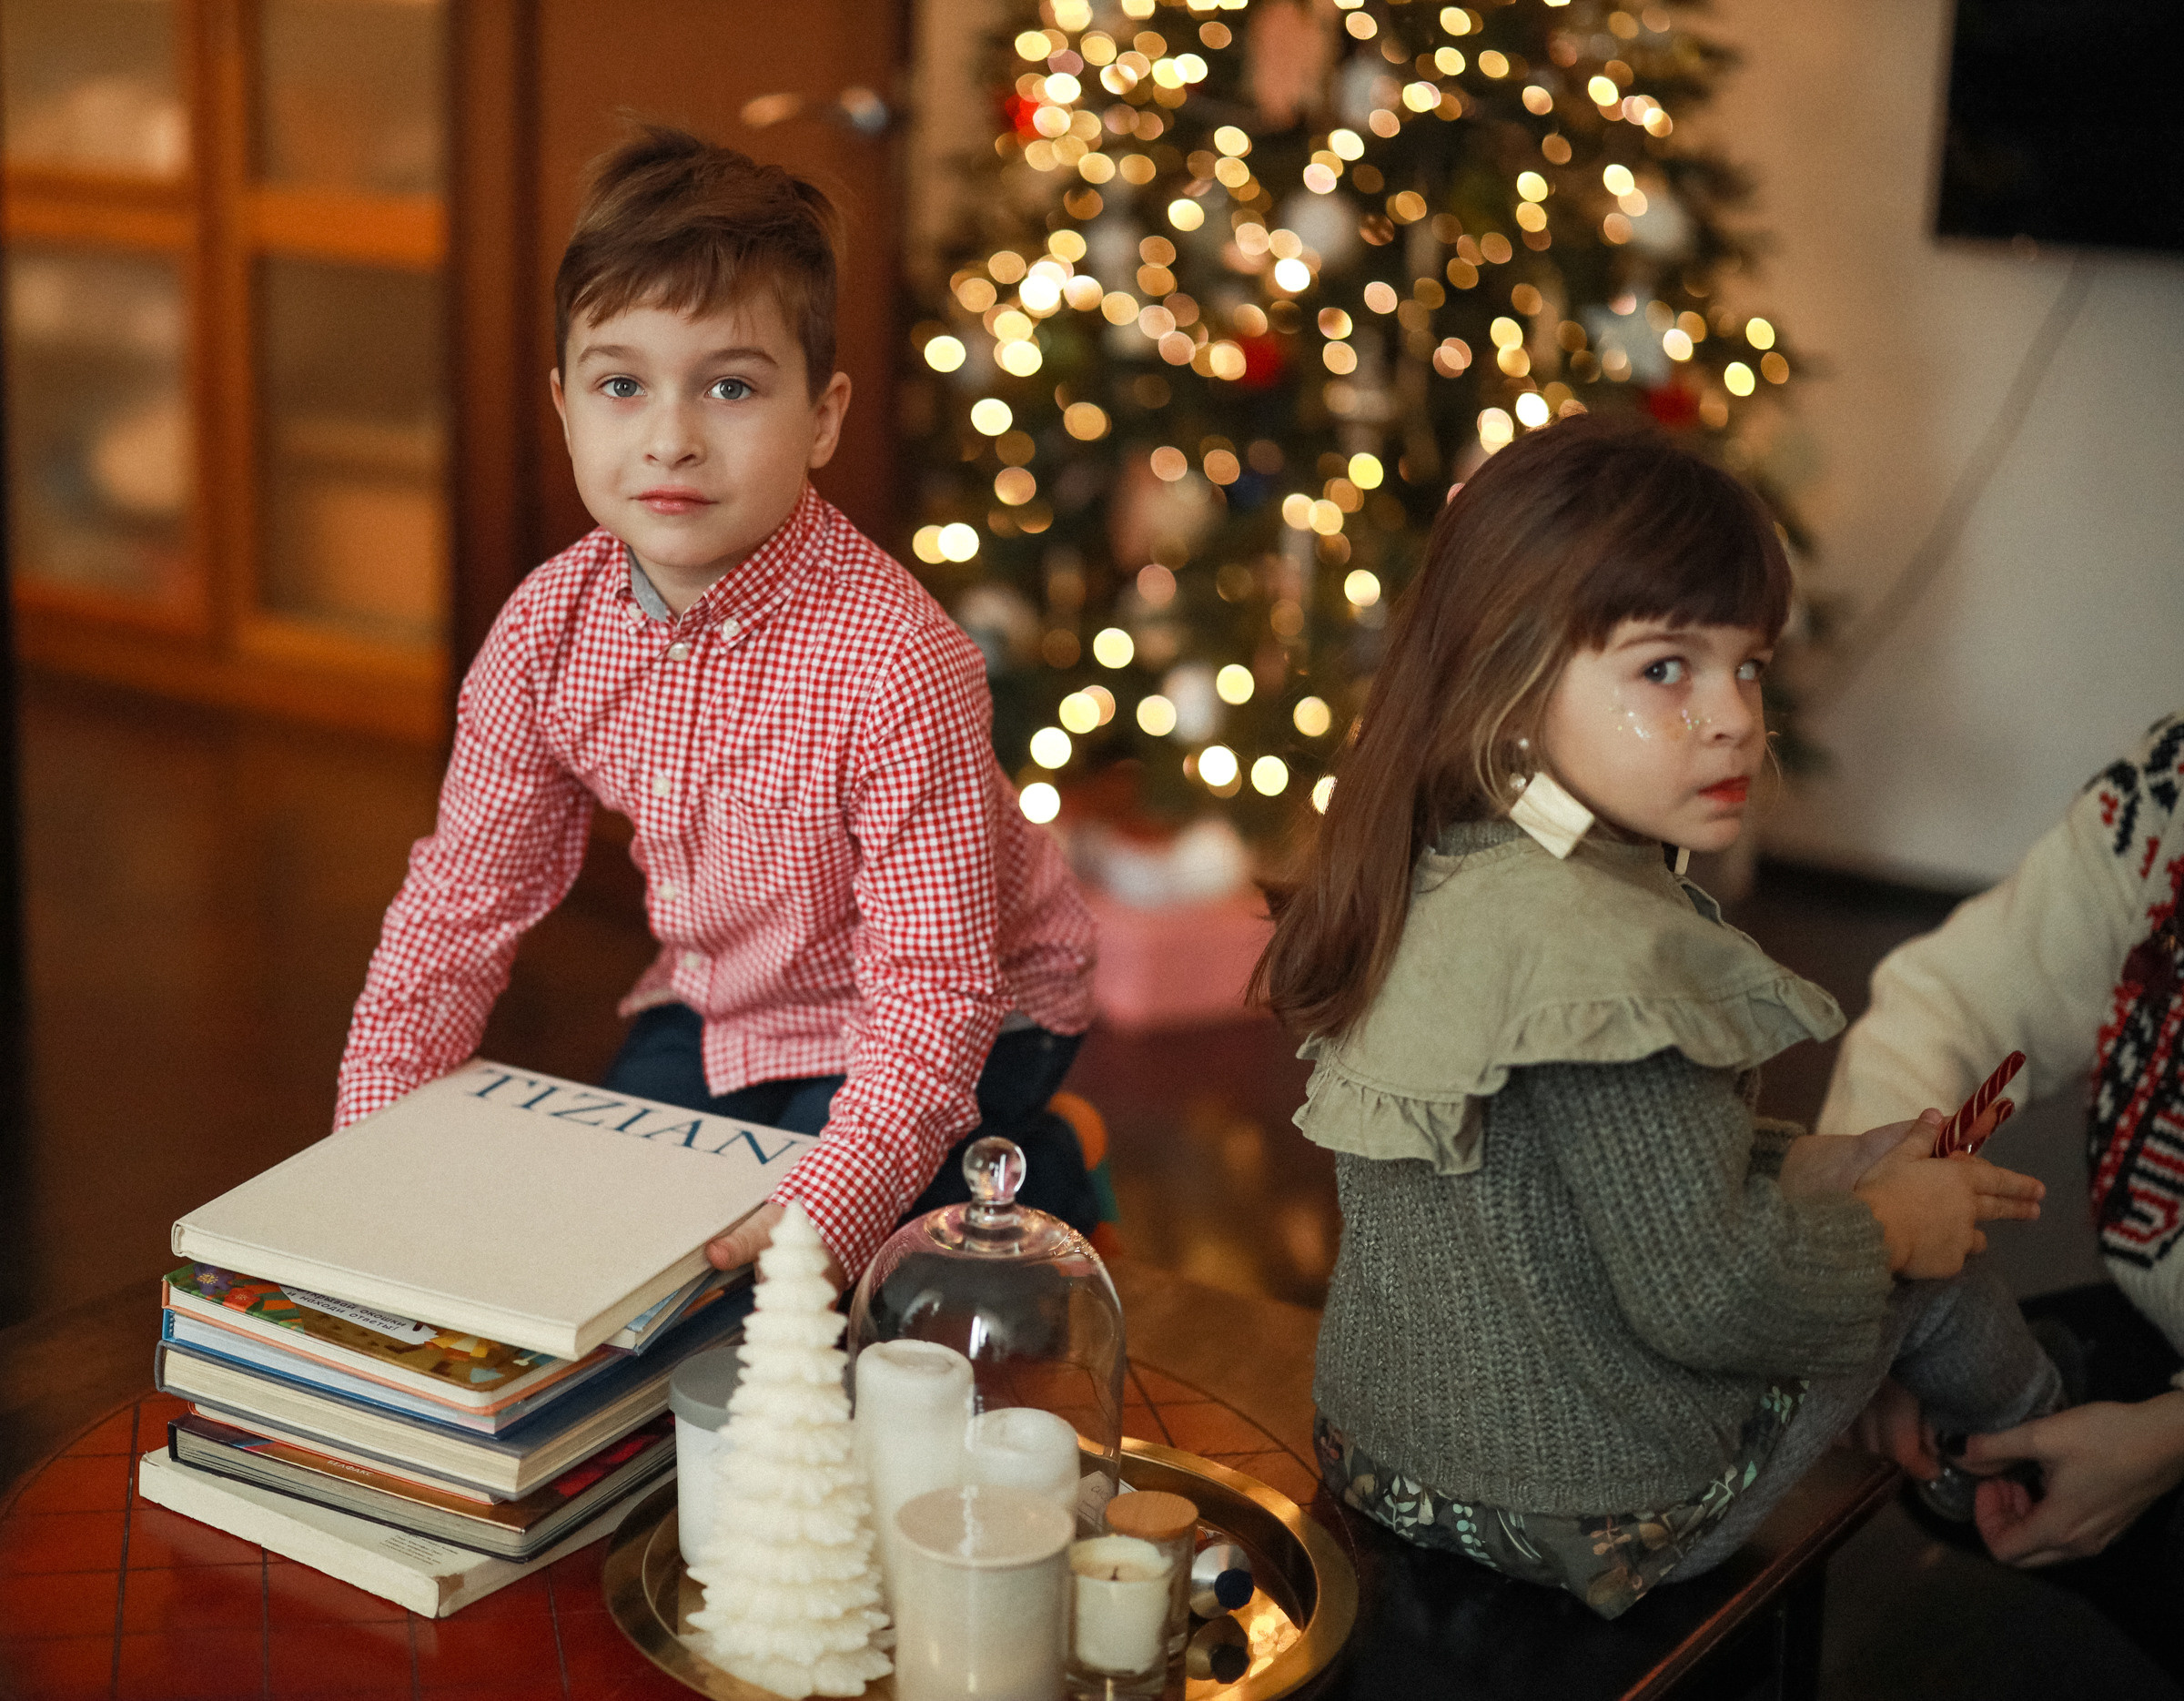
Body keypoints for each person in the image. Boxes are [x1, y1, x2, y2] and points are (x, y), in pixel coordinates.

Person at [1252, 415, 2060, 1617]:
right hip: (1594, 1515)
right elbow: (1714, 1297)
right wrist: (1894, 1226)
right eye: (1666, 669)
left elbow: (1580, 1179)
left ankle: (1962, 1436)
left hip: (1382, 1458)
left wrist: (1828, 1167)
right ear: (1513, 684)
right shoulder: (1610, 964)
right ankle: (2047, 1451)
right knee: (1938, 1276)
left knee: (1877, 1225)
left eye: (1749, 665)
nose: (1733, 714)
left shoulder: (1441, 869)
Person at [334, 126, 1098, 1287]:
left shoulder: (900, 663)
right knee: (629, 1241)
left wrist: (826, 1210)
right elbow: (460, 904)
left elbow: (935, 994)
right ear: (565, 405)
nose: (671, 439)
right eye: (622, 385)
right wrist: (365, 1149)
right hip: (726, 996)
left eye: (731, 386)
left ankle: (1047, 1166)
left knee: (815, 1286)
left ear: (823, 416)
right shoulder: (546, 632)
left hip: (976, 1012)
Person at [1820, 712, 2184, 1671]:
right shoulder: (2170, 790)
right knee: (1953, 1429)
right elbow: (1957, 1003)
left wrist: (2169, 1439)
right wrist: (1881, 1254)